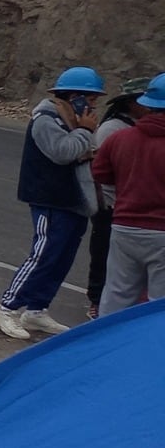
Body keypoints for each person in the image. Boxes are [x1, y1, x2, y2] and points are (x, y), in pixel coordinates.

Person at [0, 67, 104, 340]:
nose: (93, 104)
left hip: (73, 199)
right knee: (45, 253)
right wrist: (86, 132)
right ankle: (7, 307)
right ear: (74, 96)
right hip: (50, 197)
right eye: (90, 98)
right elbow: (63, 153)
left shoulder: (73, 120)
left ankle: (37, 308)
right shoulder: (47, 118)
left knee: (62, 257)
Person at [90, 73, 165, 316]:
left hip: (124, 227)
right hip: (161, 232)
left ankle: (106, 347)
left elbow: (100, 173)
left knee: (116, 296)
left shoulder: (120, 137)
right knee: (158, 306)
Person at [85, 79, 147, 315]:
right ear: (132, 103)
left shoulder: (134, 127)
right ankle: (97, 300)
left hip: (127, 203)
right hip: (109, 203)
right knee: (103, 253)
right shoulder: (113, 129)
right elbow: (101, 170)